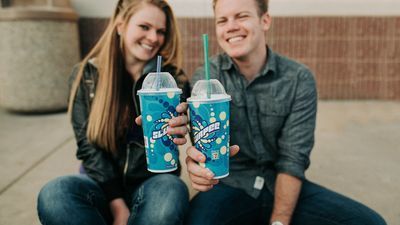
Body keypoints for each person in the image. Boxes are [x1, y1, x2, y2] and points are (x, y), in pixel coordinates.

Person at [184, 0, 387, 225]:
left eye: (241, 16)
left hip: (282, 184)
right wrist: (196, 163)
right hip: (231, 183)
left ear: (265, 20)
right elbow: (202, 148)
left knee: (370, 222)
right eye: (222, 20)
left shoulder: (298, 79)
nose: (231, 26)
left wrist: (279, 221)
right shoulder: (207, 79)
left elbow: (293, 159)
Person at [37, 0, 191, 224]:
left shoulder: (172, 79)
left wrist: (182, 122)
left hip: (155, 183)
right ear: (120, 25)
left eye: (161, 31)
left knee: (171, 190)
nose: (154, 38)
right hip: (100, 185)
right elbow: (88, 148)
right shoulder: (86, 76)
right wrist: (117, 204)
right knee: (55, 194)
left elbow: (185, 124)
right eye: (144, 27)